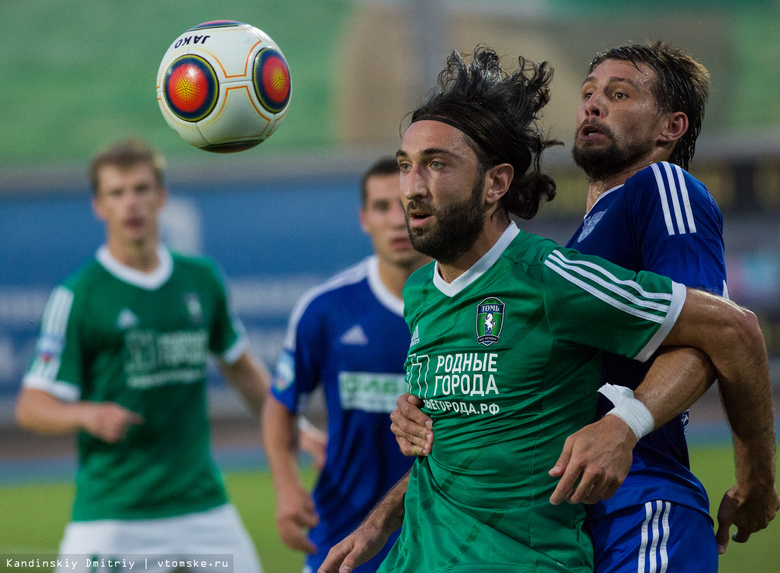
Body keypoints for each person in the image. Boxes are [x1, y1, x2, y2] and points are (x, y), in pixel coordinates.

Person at [318, 46, 774, 573]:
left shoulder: (659, 189)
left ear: (671, 126)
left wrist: (754, 478)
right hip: (568, 514)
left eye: (619, 94)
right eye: (587, 94)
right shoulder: (570, 253)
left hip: (638, 502)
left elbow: (718, 333)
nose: (593, 105)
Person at [14, 138, 270, 573]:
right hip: (114, 511)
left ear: (162, 197)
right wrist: (86, 415)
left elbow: (244, 372)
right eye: (117, 193)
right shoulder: (78, 296)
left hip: (201, 505)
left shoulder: (200, 278)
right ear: (99, 206)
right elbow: (30, 408)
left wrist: (297, 428)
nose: (131, 203)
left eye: (141, 189)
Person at [262, 158, 431, 573]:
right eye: (381, 207)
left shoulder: (465, 308)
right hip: (340, 536)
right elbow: (281, 404)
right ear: (363, 218)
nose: (396, 220)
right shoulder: (325, 309)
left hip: (437, 537)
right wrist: (286, 487)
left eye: (406, 204)